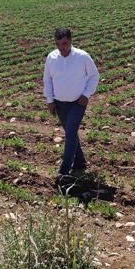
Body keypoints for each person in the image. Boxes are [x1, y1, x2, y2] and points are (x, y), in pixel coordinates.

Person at [43, 28, 100, 181]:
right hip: (59, 104)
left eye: (65, 43)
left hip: (78, 103)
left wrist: (86, 94)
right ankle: (80, 162)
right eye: (59, 44)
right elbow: (47, 79)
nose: (62, 47)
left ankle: (64, 169)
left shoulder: (82, 57)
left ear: (70, 41)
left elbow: (94, 76)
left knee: (69, 133)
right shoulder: (51, 57)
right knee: (72, 133)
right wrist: (50, 100)